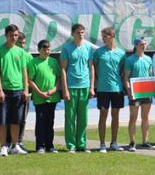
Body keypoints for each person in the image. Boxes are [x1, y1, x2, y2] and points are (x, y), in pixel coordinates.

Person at [0, 24, 29, 156]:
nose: (14, 38)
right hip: (4, 91)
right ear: (6, 35)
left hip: (18, 90)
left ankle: (15, 146)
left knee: (16, 120)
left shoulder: (20, 52)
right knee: (2, 120)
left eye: (16, 35)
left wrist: (25, 89)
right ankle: (3, 146)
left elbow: (24, 71)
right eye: (11, 35)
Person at [60, 23, 94, 153]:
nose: (80, 35)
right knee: (70, 117)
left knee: (83, 118)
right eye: (78, 32)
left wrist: (91, 87)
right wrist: (65, 90)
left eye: (82, 32)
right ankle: (71, 145)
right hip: (71, 86)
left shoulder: (89, 48)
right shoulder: (67, 48)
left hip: (85, 86)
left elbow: (91, 67)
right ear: (72, 34)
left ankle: (81, 144)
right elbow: (63, 69)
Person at [92, 27, 126, 153]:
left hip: (117, 89)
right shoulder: (98, 52)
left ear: (112, 36)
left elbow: (122, 70)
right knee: (103, 114)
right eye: (102, 37)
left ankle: (114, 142)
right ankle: (102, 144)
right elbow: (94, 67)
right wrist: (99, 80)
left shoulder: (121, 53)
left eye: (105, 36)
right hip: (102, 89)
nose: (103, 39)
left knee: (115, 116)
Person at [28, 39, 61, 154]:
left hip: (52, 97)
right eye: (44, 49)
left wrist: (53, 90)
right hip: (39, 98)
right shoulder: (33, 62)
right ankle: (39, 146)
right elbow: (30, 80)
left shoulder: (53, 62)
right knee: (41, 122)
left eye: (48, 49)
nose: (47, 51)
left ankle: (50, 146)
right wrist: (39, 93)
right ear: (39, 50)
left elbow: (58, 78)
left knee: (50, 122)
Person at [123, 37, 154, 151]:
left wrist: (153, 90)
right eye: (141, 44)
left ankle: (145, 141)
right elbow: (126, 78)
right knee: (133, 118)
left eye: (145, 44)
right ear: (136, 45)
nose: (143, 46)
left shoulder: (148, 59)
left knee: (145, 117)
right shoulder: (130, 60)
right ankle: (132, 142)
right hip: (135, 94)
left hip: (146, 93)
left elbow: (151, 77)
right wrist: (129, 92)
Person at [8, 33, 33, 150]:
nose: (22, 45)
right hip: (14, 90)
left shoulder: (28, 56)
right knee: (11, 118)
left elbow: (31, 75)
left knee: (22, 118)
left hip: (25, 92)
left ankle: (19, 141)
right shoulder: (10, 53)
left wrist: (27, 90)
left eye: (23, 43)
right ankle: (8, 142)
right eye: (20, 43)